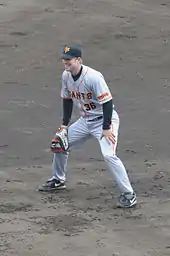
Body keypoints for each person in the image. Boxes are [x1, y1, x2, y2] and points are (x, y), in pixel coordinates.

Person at [38, 45, 137, 208]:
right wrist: (64, 125)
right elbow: (67, 99)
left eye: (69, 60)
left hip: (104, 120)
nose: (65, 63)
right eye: (64, 60)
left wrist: (106, 128)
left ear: (79, 60)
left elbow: (107, 102)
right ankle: (58, 180)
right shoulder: (66, 76)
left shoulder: (93, 77)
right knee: (60, 144)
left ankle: (129, 194)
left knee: (108, 155)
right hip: (85, 121)